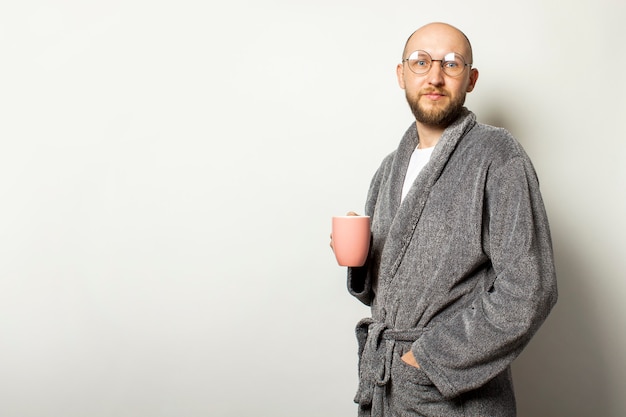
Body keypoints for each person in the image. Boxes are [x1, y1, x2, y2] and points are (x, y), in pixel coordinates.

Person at [331, 22, 558, 416]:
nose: (434, 76)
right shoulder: (389, 170)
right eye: (420, 62)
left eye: (451, 64)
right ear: (401, 74)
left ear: (470, 79)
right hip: (387, 390)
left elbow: (530, 288)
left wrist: (427, 361)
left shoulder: (497, 155)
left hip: (450, 396)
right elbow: (382, 294)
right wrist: (359, 259)